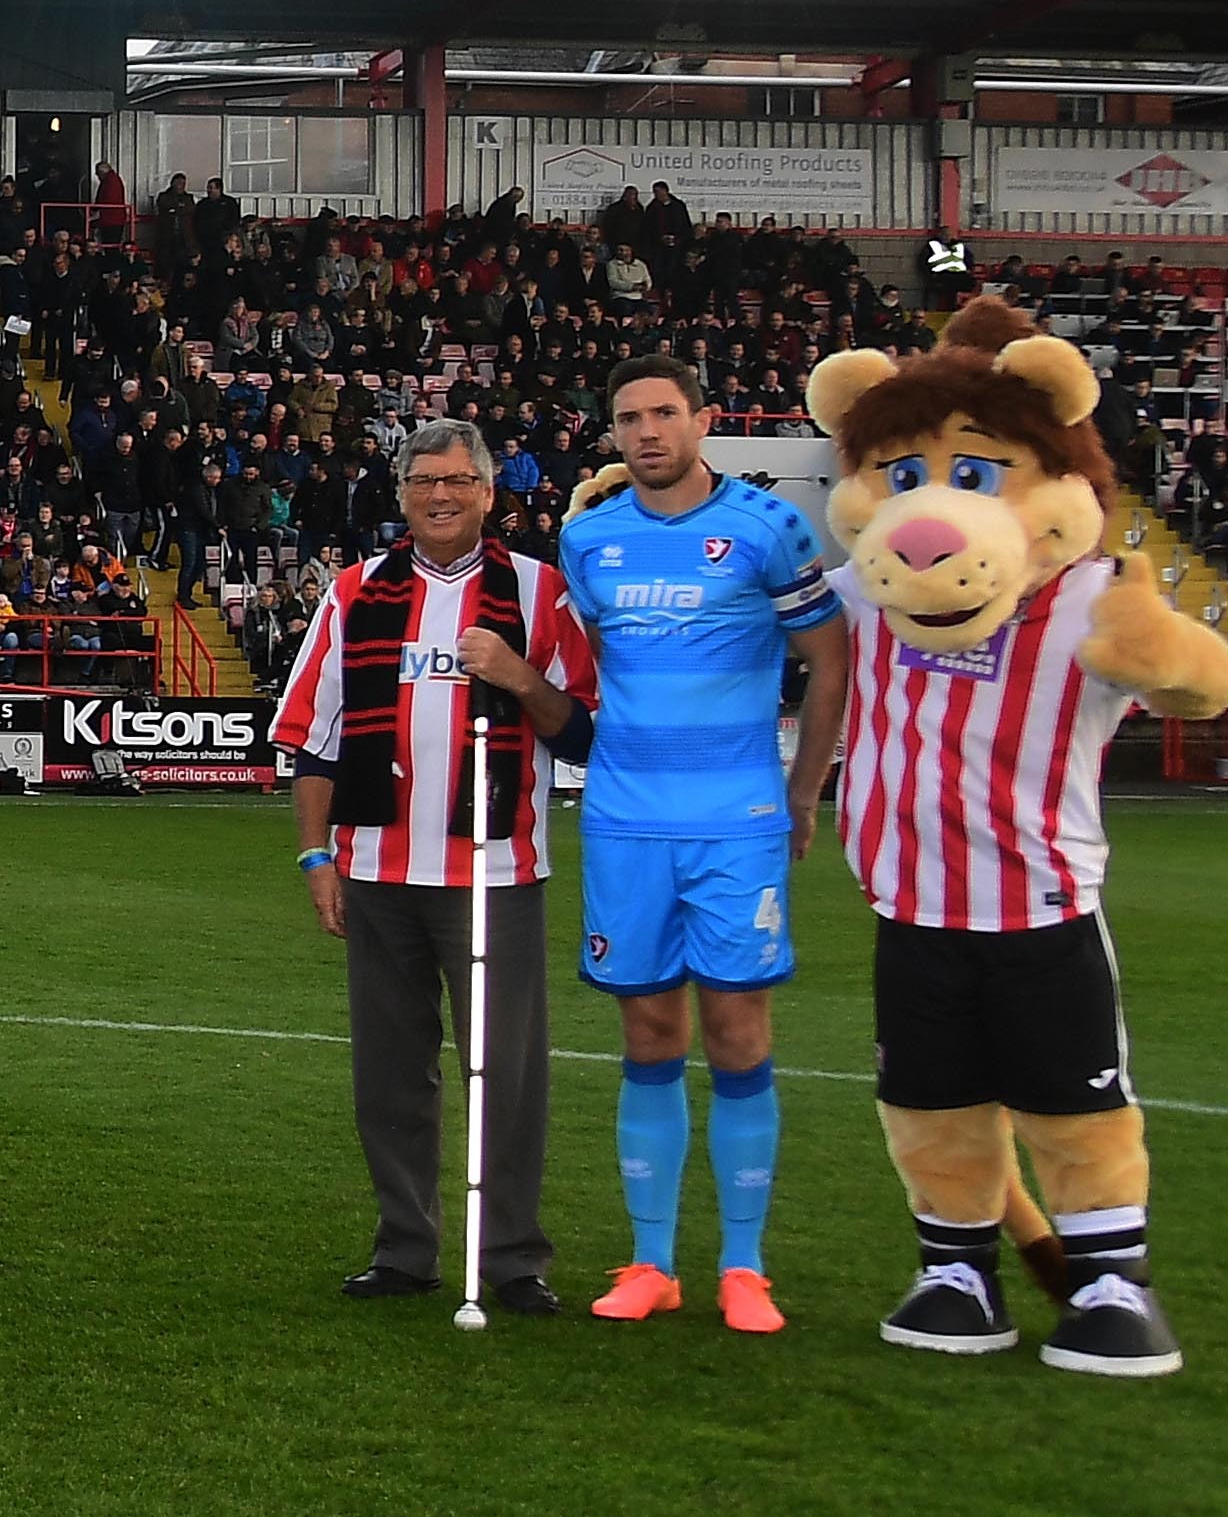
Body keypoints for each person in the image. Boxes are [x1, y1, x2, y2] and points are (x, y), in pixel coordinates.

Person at [268, 419, 597, 1311]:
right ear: (402, 491)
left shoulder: (538, 591)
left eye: (459, 480)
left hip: (495, 875)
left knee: (507, 1074)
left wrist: (520, 675)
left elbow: (584, 723)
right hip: (375, 867)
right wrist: (314, 852)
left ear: (491, 493)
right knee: (389, 1071)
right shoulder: (353, 591)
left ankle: (512, 1259)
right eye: (424, 481)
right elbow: (312, 736)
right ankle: (406, 1247)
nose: (440, 495)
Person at [549, 355, 848, 1334]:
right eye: (628, 416)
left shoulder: (769, 528)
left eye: (665, 413)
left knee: (737, 1033)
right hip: (627, 820)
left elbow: (829, 657)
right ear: (613, 430)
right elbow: (596, 667)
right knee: (649, 1035)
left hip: (737, 823)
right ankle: (651, 1260)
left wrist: (805, 790)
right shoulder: (588, 540)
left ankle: (745, 1267)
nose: (647, 431)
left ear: (703, 420)